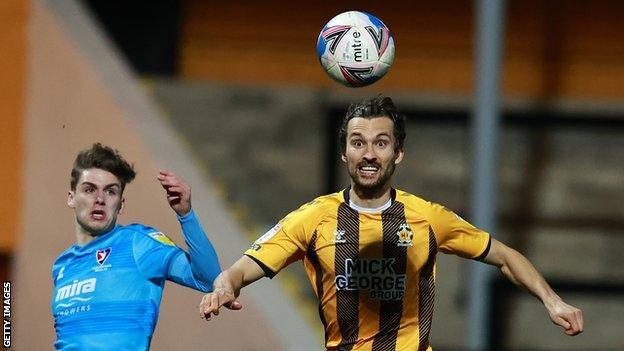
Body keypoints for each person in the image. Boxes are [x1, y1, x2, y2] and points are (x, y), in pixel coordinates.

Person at [198, 96, 584, 350]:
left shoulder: (428, 218)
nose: (368, 154)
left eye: (380, 143)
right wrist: (224, 288)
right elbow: (239, 271)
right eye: (357, 142)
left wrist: (553, 300)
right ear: (344, 152)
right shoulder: (312, 218)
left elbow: (504, 256)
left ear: (398, 153)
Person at [51, 143, 234, 350]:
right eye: (89, 189)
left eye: (111, 192)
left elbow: (208, 279)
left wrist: (186, 215)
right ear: (71, 198)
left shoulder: (139, 243)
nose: (100, 199)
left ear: (121, 204)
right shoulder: (62, 266)